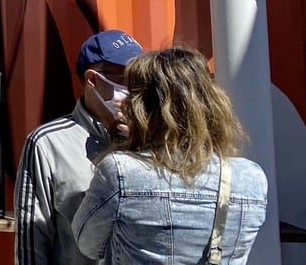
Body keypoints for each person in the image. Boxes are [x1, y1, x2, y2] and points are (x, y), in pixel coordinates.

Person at [72, 46, 267, 264]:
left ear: (142, 108)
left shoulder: (120, 172)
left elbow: (87, 244)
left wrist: (126, 145)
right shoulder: (251, 178)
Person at [14, 29, 143, 265]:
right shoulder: (47, 144)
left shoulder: (154, 140)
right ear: (93, 80)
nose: (136, 89)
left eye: (141, 80)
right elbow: (32, 240)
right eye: (127, 79)